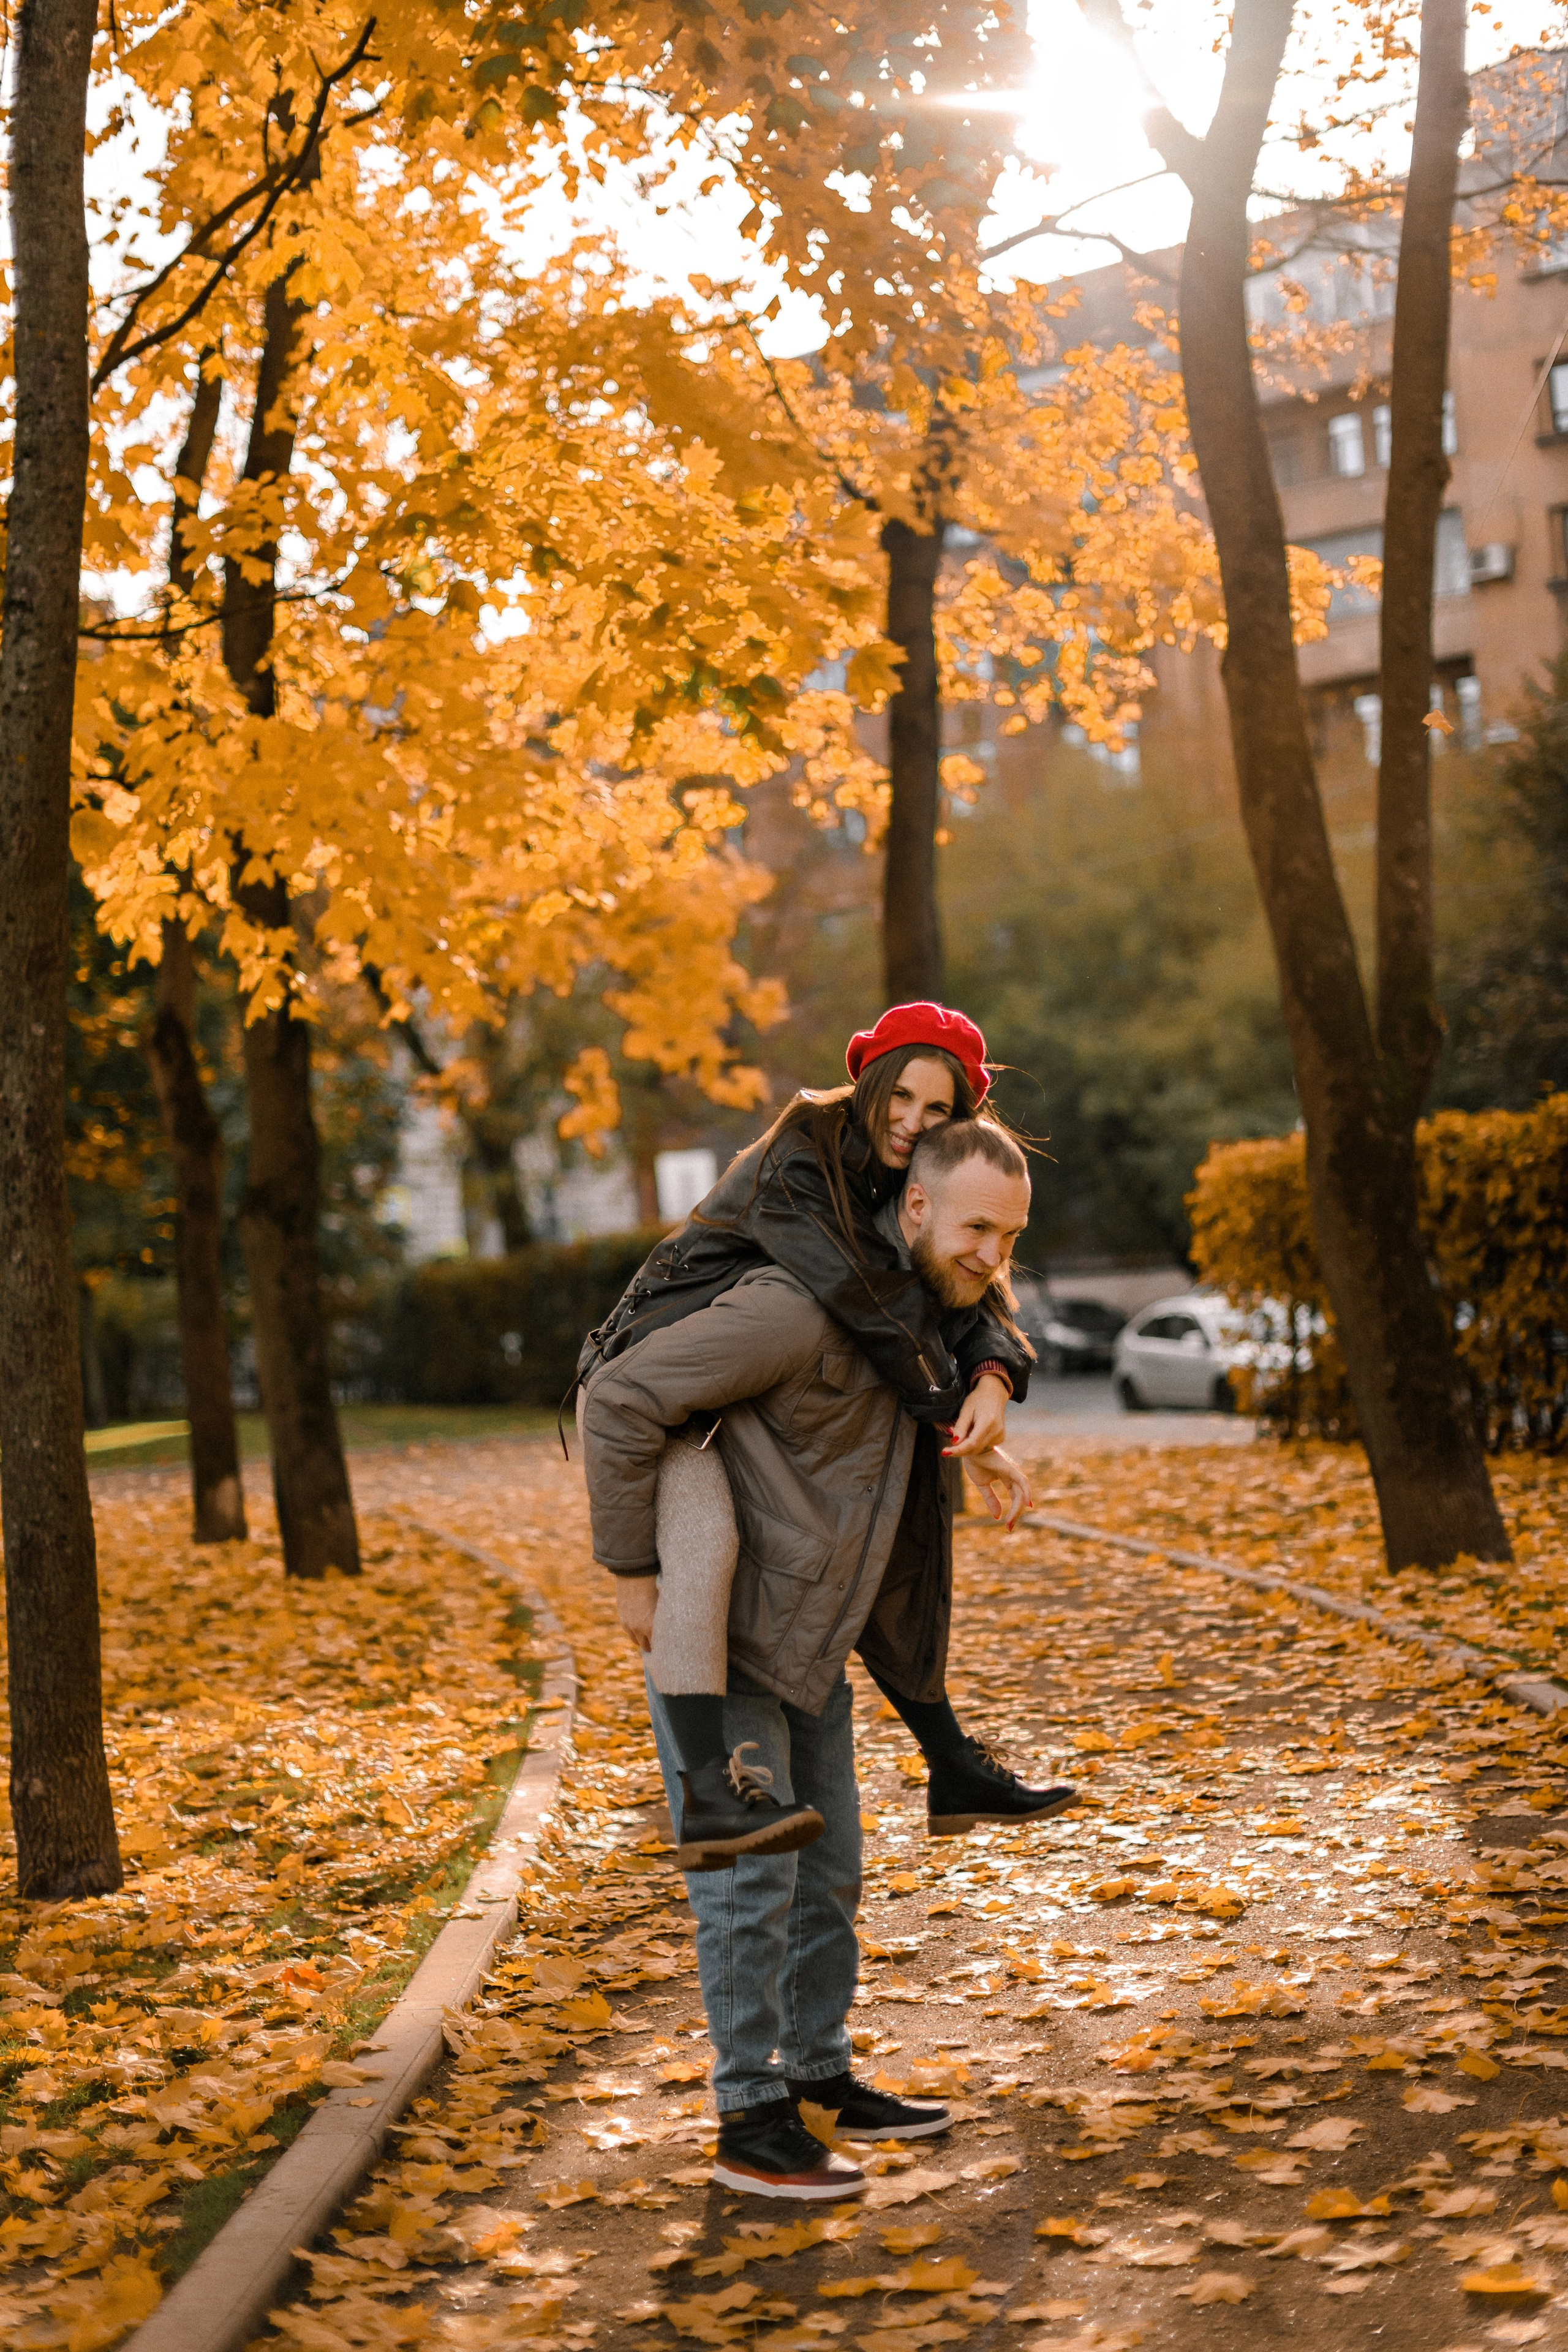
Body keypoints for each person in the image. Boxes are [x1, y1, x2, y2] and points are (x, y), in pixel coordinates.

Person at [581, 1120, 1076, 2198]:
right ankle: (748, 2117)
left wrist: (989, 1412)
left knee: (829, 1873)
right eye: (977, 1228)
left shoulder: (916, 1312)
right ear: (913, 1210)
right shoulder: (796, 1308)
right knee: (751, 1883)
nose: (994, 1256)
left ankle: (816, 2075)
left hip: (814, 1640)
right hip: (731, 1645)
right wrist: (630, 1568)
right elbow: (619, 1399)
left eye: (1012, 1235)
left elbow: (965, 1354)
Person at [576, 1003, 1063, 1855]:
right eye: (900, 1098)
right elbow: (872, 1301)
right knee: (707, 1541)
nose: (912, 1123)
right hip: (652, 1377)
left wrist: (992, 1376)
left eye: (938, 1110)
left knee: (894, 1519)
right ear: (869, 1083)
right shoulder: (802, 1159)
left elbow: (955, 1279)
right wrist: (628, 1571)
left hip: (725, 1385)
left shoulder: (903, 1183)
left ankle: (950, 1761)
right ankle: (706, 1797)